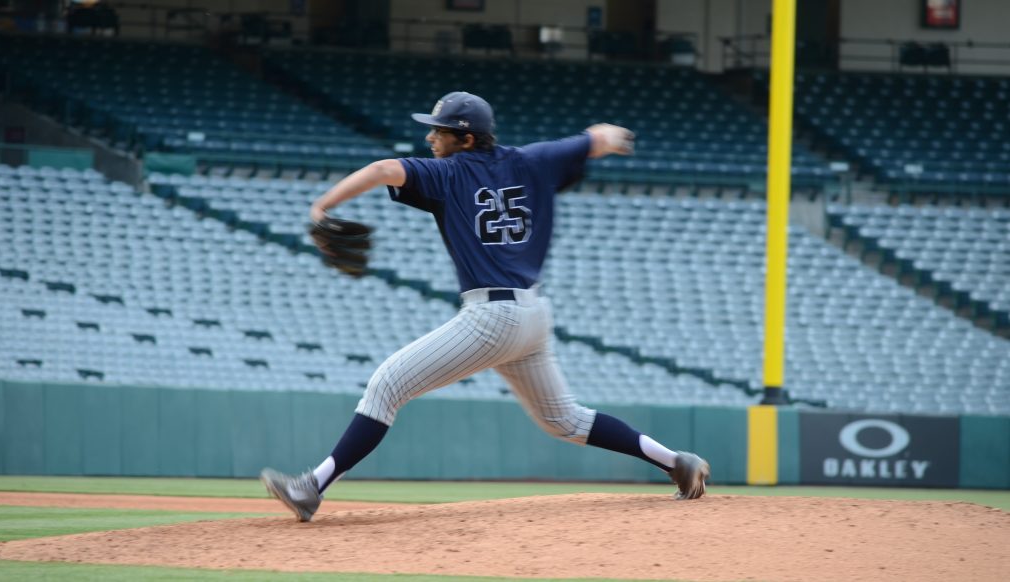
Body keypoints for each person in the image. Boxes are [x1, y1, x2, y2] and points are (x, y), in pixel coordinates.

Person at [261, 91, 710, 522]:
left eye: (439, 131)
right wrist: (609, 135)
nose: (431, 138)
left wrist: (323, 205)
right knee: (564, 419)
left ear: (467, 138)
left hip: (492, 316)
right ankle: (676, 462)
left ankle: (310, 489)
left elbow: (382, 170)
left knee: (386, 385)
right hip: (532, 315)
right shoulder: (533, 159)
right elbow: (600, 139)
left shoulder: (448, 174)